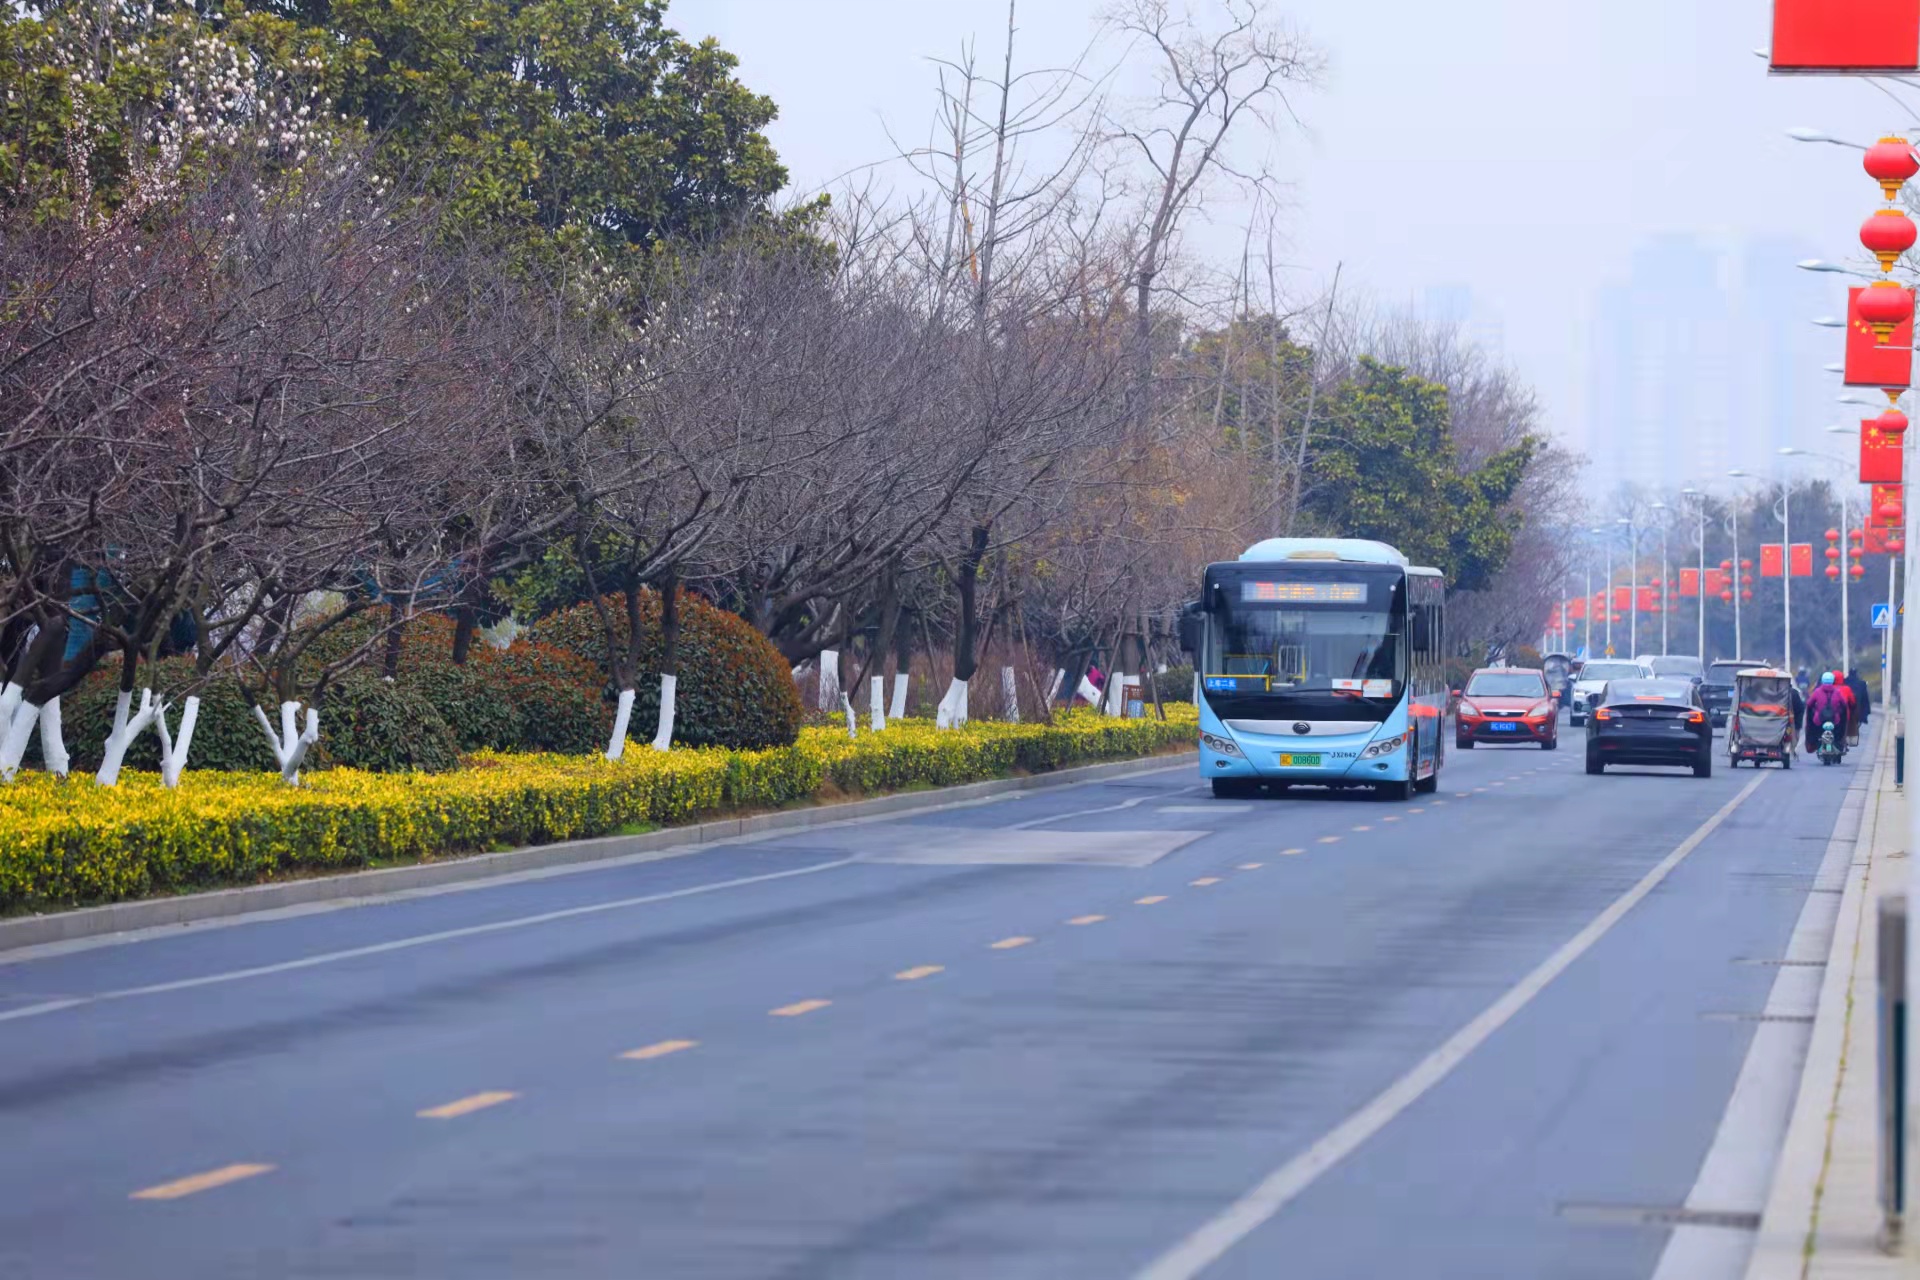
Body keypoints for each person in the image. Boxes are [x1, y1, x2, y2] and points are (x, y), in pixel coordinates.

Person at [1804, 672, 1846, 754]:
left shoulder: (1817, 691)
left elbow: (1809, 704)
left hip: (1819, 720)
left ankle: (1814, 744)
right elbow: (1844, 704)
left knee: (1812, 728)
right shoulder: (1837, 692)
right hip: (1835, 720)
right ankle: (1839, 743)